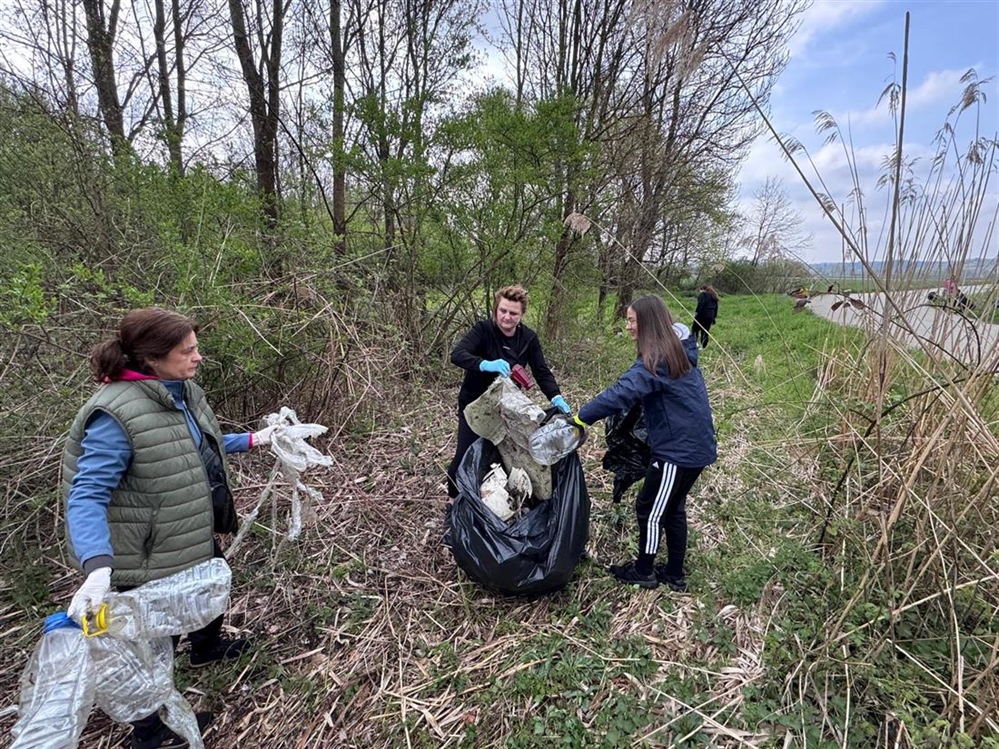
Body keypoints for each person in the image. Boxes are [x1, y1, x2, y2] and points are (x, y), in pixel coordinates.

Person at [62, 308, 278, 749]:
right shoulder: (115, 415)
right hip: (144, 554)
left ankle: (206, 648)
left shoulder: (180, 391)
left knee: (209, 585)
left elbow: (195, 445)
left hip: (187, 531)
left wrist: (260, 439)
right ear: (153, 358)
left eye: (196, 347)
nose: (198, 357)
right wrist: (97, 567)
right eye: (188, 350)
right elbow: (86, 495)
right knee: (151, 641)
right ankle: (150, 734)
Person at [574, 295, 717, 591]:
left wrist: (580, 418)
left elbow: (620, 393)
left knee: (648, 509)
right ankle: (675, 574)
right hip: (696, 447)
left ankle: (644, 571)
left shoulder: (657, 360)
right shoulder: (677, 350)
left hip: (677, 453)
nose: (628, 326)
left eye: (631, 321)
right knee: (674, 507)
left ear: (648, 324)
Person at [446, 285, 570, 499]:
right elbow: (457, 354)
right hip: (474, 406)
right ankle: (453, 499)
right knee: (465, 455)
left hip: (506, 408)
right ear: (496, 309)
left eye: (513, 313)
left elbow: (541, 372)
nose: (506, 316)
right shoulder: (483, 330)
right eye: (502, 310)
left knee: (502, 456)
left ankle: (493, 500)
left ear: (521, 315)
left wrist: (555, 396)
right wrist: (485, 364)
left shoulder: (528, 338)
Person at [692, 284, 718, 348]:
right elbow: (716, 308)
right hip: (710, 316)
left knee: (695, 329)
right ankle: (703, 346)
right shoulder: (714, 296)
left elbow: (701, 304)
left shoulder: (703, 294)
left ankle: (694, 343)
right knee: (705, 331)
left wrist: (696, 312)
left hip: (702, 314)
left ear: (702, 289)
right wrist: (714, 318)